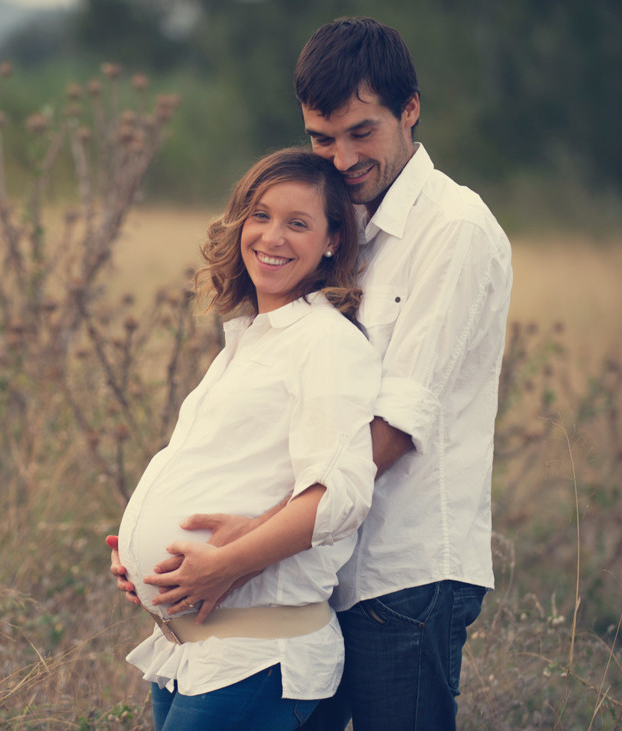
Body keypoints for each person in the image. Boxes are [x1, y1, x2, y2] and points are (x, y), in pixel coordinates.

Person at [110, 16, 513, 730]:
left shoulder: (452, 228)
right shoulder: (345, 226)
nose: (343, 156)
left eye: (363, 132)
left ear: (409, 110)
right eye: (322, 138)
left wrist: (240, 548)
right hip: (316, 572)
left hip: (403, 568)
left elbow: (393, 426)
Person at [113, 147, 382, 730]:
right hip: (195, 649)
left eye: (298, 223)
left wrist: (222, 565)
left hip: (259, 656)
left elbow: (339, 496)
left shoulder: (325, 342)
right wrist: (146, 564)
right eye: (260, 215)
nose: (272, 236)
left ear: (333, 241)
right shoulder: (250, 340)